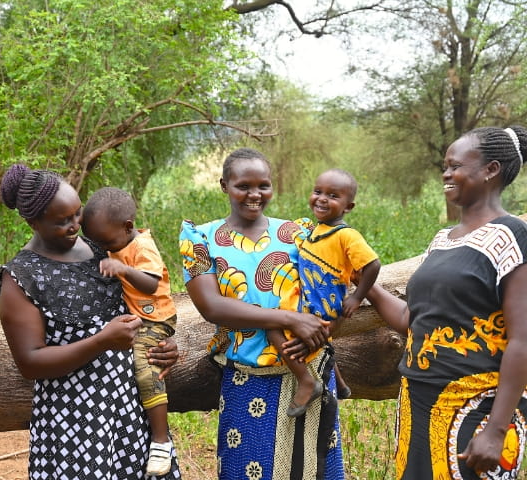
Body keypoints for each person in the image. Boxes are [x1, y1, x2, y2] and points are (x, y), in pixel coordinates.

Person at [0, 164, 182, 479]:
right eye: (62, 221)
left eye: (77, 214)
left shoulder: (102, 247)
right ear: (32, 222)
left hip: (128, 410)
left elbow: (147, 301)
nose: (75, 225)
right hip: (73, 423)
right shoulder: (22, 278)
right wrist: (101, 341)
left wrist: (165, 342)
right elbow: (30, 362)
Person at [364, 126, 527, 479]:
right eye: (444, 166)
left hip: (475, 407)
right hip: (418, 399)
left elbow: (522, 340)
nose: (446, 174)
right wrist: (369, 288)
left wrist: (497, 430)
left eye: (455, 166)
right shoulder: (442, 240)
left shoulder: (513, 236)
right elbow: (412, 319)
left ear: (491, 170)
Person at [179, 147, 345, 480]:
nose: (255, 195)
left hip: (307, 370)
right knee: (246, 470)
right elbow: (210, 306)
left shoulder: (298, 234)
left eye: (263, 186)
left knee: (313, 469)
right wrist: (288, 318)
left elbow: (331, 285)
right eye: (243, 186)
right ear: (224, 185)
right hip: (246, 378)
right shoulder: (200, 239)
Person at [267, 168, 381, 416]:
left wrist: (357, 297)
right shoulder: (316, 230)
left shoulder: (346, 235)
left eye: (332, 195)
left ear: (348, 206)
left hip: (323, 302)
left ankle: (307, 380)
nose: (321, 198)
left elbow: (372, 264)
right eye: (318, 191)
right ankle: (339, 383)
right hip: (312, 296)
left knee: (273, 328)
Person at [81, 186, 177, 477]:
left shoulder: (142, 246)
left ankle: (161, 440)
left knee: (145, 366)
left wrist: (120, 268)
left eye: (106, 241)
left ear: (128, 227)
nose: (101, 247)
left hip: (155, 320)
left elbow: (150, 284)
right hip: (137, 317)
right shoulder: (118, 243)